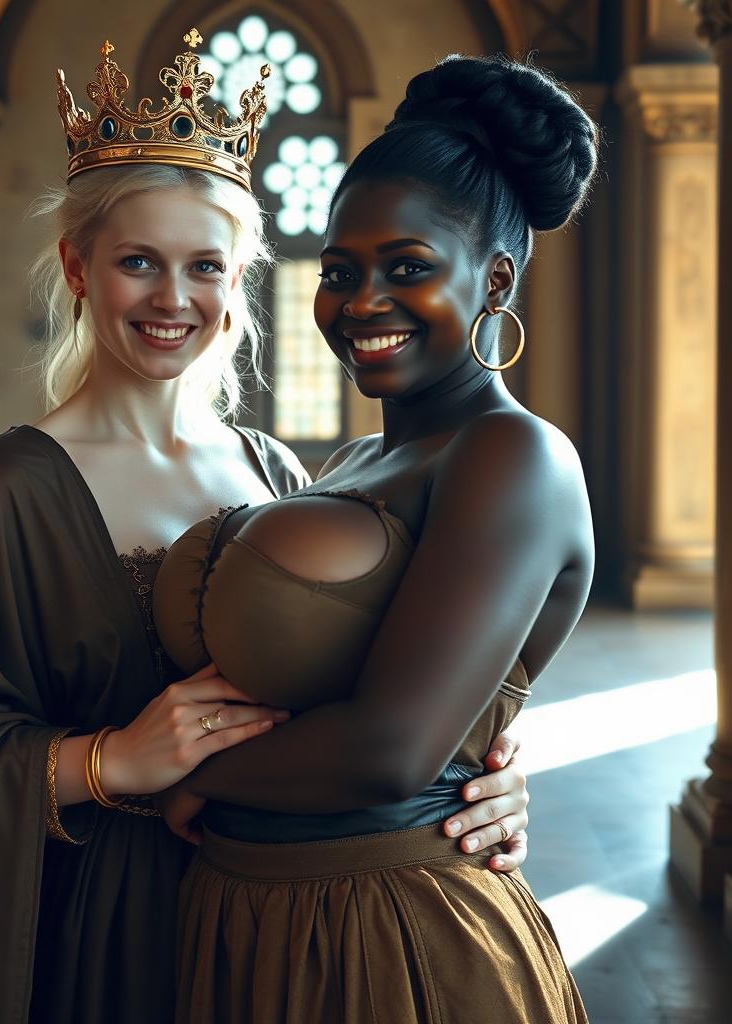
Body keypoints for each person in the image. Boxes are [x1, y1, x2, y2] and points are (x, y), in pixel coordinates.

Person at [0, 36, 534, 1024]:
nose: (172, 297)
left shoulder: (275, 475)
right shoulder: (8, 487)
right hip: (103, 928)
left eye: (204, 266)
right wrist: (111, 760)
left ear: (239, 283)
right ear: (78, 266)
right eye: (138, 261)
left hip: (278, 916)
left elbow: (373, 690)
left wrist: (484, 773)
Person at [152, 53, 598, 1023]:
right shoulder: (355, 460)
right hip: (245, 920)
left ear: (495, 279)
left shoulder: (512, 455)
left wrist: (180, 778)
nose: (360, 303)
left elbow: (393, 749)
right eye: (338, 271)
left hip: (393, 935)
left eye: (408, 268)